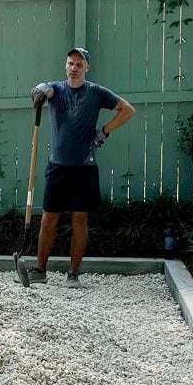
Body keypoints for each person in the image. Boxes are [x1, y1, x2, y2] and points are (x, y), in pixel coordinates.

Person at [29, 47, 135, 287]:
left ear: (87, 67)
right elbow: (45, 88)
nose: (74, 68)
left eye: (79, 64)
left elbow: (128, 110)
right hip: (58, 166)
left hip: (84, 167)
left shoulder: (96, 93)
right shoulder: (56, 90)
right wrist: (41, 89)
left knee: (79, 220)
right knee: (48, 219)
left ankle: (73, 274)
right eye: (70, 64)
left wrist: (104, 131)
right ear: (65, 66)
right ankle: (39, 270)